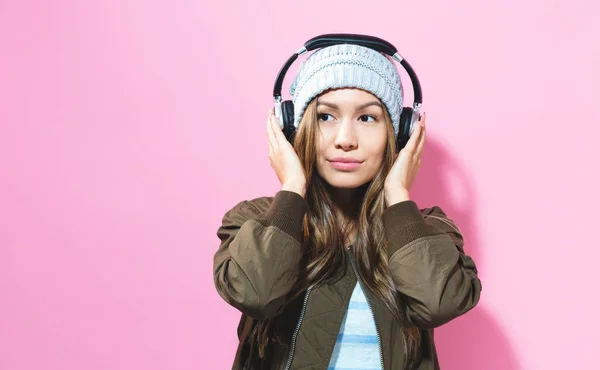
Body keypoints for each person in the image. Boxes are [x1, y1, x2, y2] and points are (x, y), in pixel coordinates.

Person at [213, 36, 482, 370]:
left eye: (367, 118)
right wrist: (293, 186)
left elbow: (439, 304)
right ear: (294, 128)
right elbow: (256, 295)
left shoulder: (425, 231)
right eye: (326, 117)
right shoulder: (253, 221)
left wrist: (398, 194)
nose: (345, 140)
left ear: (400, 133)